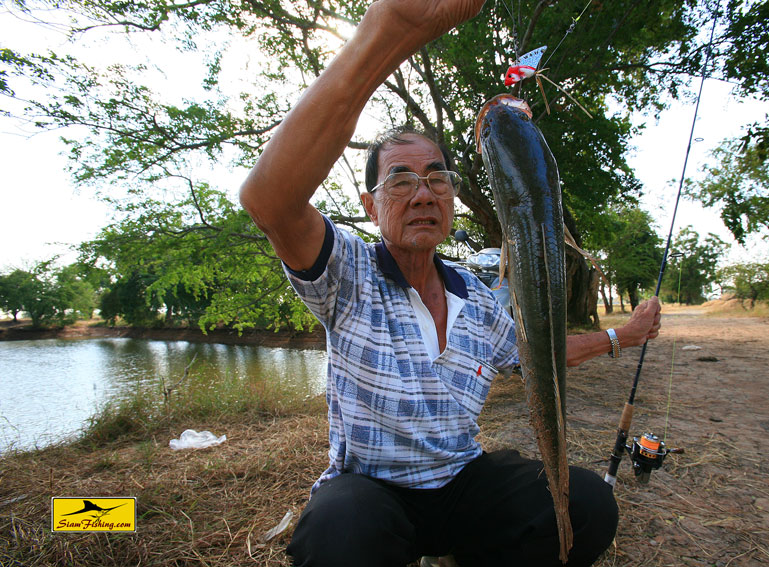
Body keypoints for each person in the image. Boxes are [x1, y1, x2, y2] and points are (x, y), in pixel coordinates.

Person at [239, 1, 662, 565]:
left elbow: (539, 353)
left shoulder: (477, 294)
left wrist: (623, 337)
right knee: (338, 530)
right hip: (375, 491)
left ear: (455, 198)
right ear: (369, 206)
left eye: (438, 178)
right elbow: (269, 199)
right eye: (402, 180)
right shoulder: (346, 272)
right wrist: (390, 30)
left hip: (463, 484)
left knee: (588, 506)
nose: (423, 193)